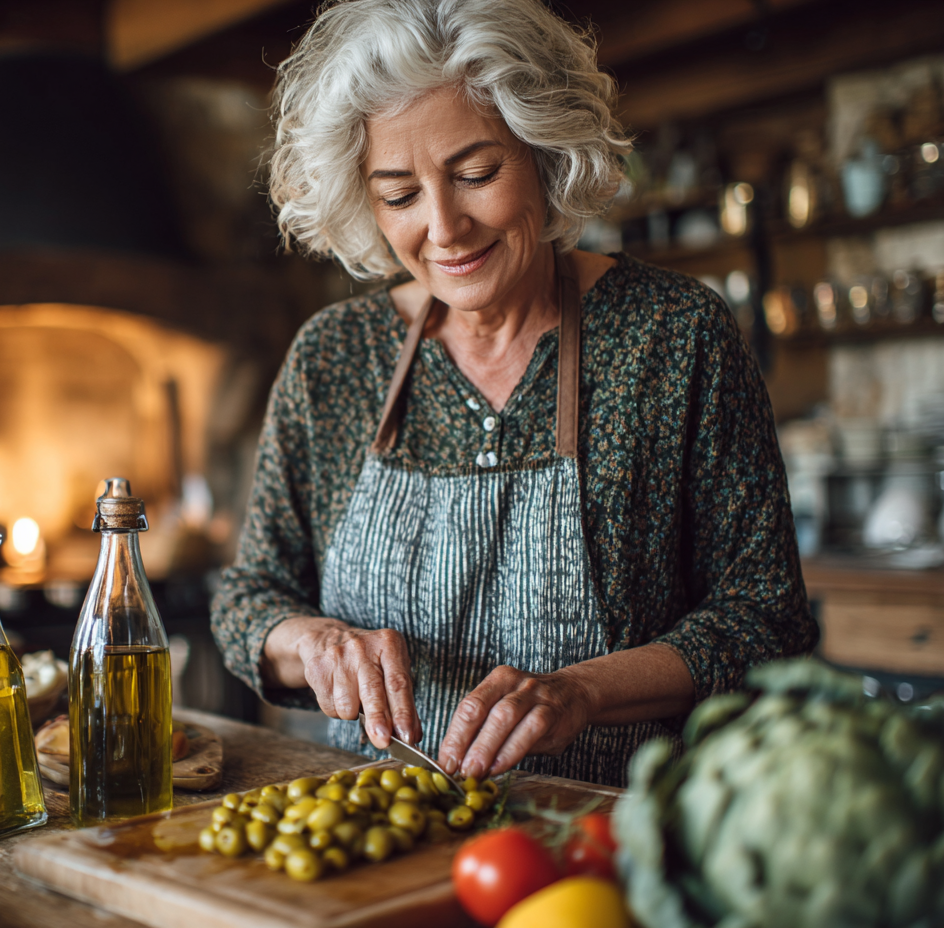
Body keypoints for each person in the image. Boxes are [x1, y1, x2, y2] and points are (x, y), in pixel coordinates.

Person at [210, 0, 817, 787]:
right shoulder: (334, 357)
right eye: (399, 195)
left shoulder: (673, 336)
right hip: (376, 845)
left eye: (476, 175)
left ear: (545, 151)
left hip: (604, 848)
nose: (446, 228)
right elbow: (247, 598)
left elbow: (766, 618)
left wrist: (580, 693)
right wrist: (312, 642)